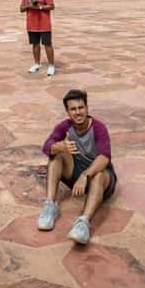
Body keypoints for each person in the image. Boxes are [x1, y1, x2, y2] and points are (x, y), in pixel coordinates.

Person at [37, 89, 117, 245]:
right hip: (76, 171)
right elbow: (46, 147)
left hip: (99, 175)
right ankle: (50, 205)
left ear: (87, 108)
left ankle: (83, 223)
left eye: (81, 107)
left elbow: (104, 157)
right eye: (73, 109)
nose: (78, 112)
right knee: (56, 155)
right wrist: (60, 146)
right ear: (68, 112)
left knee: (99, 175)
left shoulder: (99, 127)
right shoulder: (64, 127)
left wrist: (85, 175)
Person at [20, 0, 55, 76]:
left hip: (44, 24)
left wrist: (40, 7)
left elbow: (52, 6)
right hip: (32, 25)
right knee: (35, 44)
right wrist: (29, 6)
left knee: (47, 44)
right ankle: (37, 64)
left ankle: (51, 66)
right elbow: (21, 8)